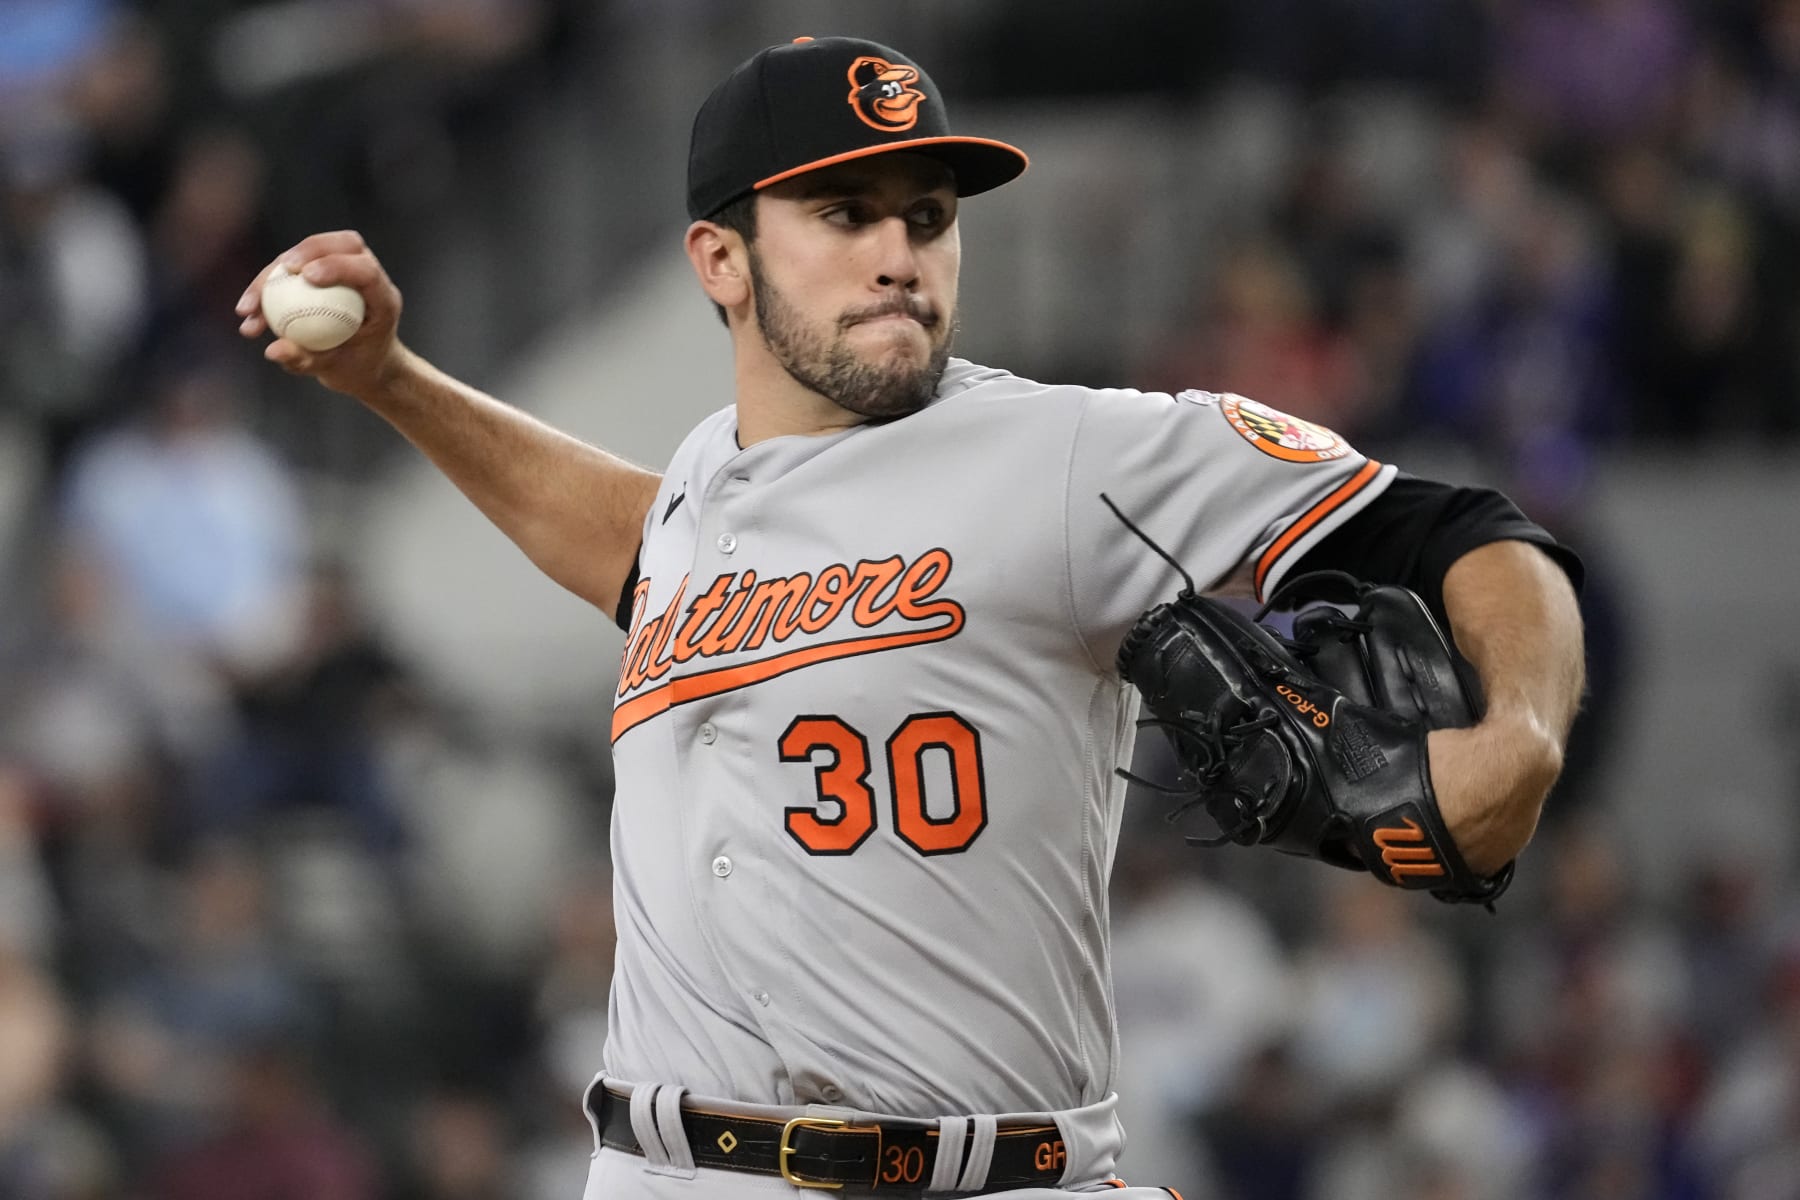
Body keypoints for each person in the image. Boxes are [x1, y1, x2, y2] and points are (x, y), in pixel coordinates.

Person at [235, 35, 1585, 1198]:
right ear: (720, 259)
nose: (898, 255)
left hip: (990, 1167)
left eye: (927, 216)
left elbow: (1464, 530)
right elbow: (634, 551)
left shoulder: (1070, 458)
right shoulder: (706, 490)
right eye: (845, 212)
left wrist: (1517, 733)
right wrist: (395, 381)